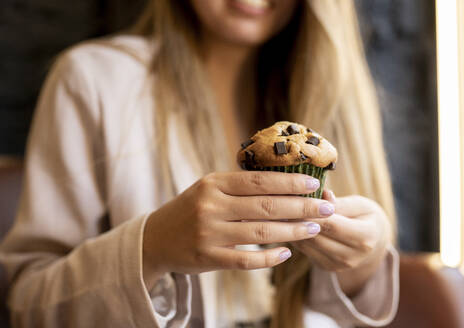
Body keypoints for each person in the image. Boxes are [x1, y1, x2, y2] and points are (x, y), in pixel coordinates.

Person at [0, 0, 399, 327]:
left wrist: (364, 261)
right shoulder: (94, 81)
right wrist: (151, 248)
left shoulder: (339, 101)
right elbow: (27, 306)